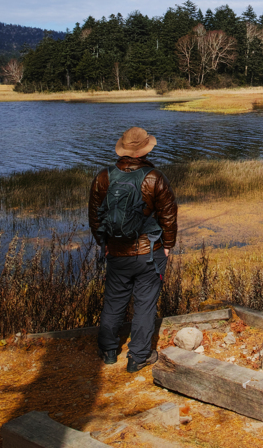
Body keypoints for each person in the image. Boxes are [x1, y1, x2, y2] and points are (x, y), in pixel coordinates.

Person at [89, 126, 178, 372]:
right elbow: (169, 216)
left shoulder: (103, 177)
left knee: (113, 302)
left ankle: (108, 350)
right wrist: (168, 245)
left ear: (124, 149)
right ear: (146, 149)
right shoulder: (155, 177)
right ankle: (138, 357)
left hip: (117, 252)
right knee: (145, 305)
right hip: (150, 253)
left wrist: (104, 244)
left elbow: (95, 217)